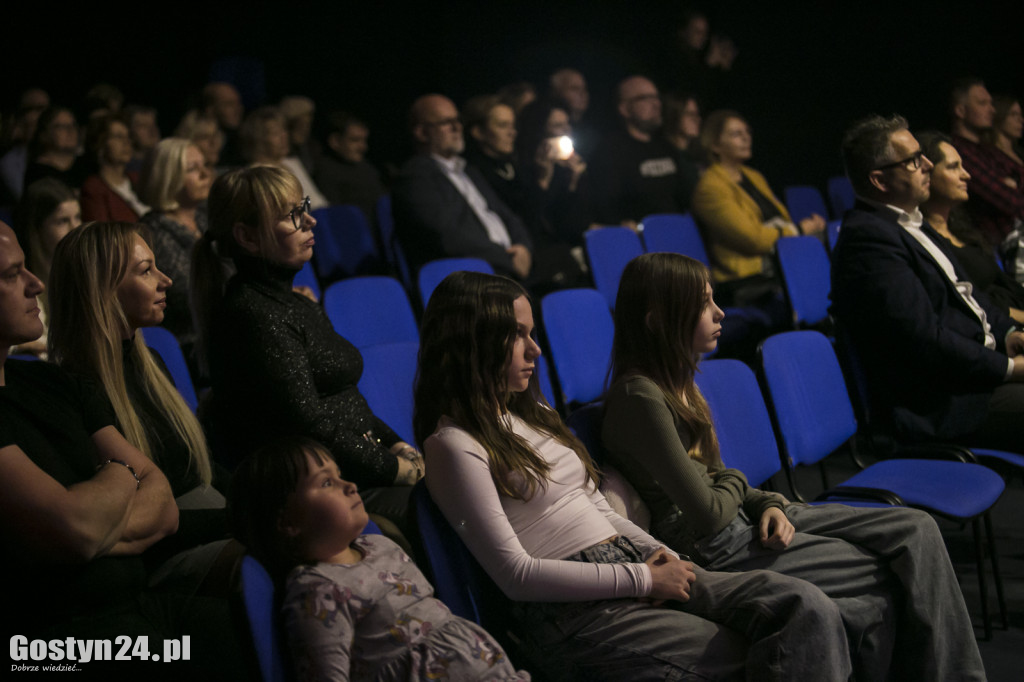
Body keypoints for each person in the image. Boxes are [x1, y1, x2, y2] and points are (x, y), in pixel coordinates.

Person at [415, 269, 854, 682]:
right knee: (757, 650)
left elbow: (599, 507)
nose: (536, 350)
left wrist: (662, 556)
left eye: (533, 334)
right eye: (517, 335)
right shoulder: (453, 445)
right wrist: (644, 578)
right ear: (474, 343)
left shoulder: (536, 415)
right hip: (572, 613)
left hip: (630, 561)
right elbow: (516, 575)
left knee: (805, 607)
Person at [603, 251, 986, 682]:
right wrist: (740, 481)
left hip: (744, 520)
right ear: (657, 322)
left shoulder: (677, 381)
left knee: (917, 528)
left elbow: (716, 482)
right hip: (714, 547)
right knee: (880, 580)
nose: (720, 311)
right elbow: (707, 513)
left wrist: (768, 501)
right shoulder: (640, 399)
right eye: (703, 303)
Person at [191, 165, 423, 541]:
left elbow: (348, 400)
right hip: (319, 489)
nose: (310, 221)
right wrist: (394, 469)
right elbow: (308, 424)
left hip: (354, 469)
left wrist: (398, 445)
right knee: (448, 507)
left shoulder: (293, 302)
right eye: (292, 215)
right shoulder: (253, 314)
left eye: (305, 207)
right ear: (247, 237)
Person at [0, 219, 179, 640]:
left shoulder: (56, 383)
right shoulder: (77, 377)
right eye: (11, 275)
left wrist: (90, 528)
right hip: (63, 640)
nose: (36, 285)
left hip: (135, 611)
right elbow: (75, 527)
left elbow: (165, 503)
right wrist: (122, 472)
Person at [231, 435, 530, 681]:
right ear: (288, 523)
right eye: (326, 483)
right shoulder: (318, 591)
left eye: (340, 476)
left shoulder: (380, 545)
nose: (349, 486)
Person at [832, 114, 1024, 452]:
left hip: (977, 373)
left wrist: (1010, 334)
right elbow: (923, 338)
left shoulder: (912, 224)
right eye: (913, 161)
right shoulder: (869, 241)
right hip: (948, 403)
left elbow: (974, 300)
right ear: (879, 180)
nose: (926, 166)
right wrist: (1008, 368)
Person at [691, 109, 824, 315]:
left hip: (779, 262)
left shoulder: (754, 175)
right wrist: (800, 229)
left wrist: (807, 230)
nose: (746, 138)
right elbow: (753, 240)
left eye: (747, 132)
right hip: (748, 277)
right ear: (715, 145)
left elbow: (780, 220)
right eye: (736, 134)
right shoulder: (710, 187)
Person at [392, 94, 534, 281]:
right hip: (473, 275)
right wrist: (507, 259)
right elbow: (450, 237)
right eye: (446, 122)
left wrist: (523, 248)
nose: (457, 127)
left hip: (507, 267)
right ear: (422, 133)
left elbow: (506, 215)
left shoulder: (468, 170)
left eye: (457, 120)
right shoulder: (415, 176)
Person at [918, 130, 1024, 323]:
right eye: (953, 167)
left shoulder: (962, 228)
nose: (966, 175)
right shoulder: (925, 241)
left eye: (963, 166)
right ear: (926, 175)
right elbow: (975, 306)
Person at [582, 76, 699, 229]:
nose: (656, 104)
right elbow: (607, 204)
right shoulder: (611, 150)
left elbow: (688, 196)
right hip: (642, 241)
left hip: (680, 234)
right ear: (624, 109)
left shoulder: (665, 146)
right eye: (645, 98)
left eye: (656, 97)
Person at [139, 137, 214, 354]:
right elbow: (189, 297)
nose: (205, 174)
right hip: (190, 345)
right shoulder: (153, 233)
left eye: (205, 165)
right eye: (193, 168)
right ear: (167, 177)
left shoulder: (205, 219)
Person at [9, 177, 81, 357]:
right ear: (37, 229)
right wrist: (16, 347)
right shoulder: (21, 286)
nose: (75, 229)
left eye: (78, 217)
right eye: (62, 221)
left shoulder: (84, 274)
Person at [949, 78, 1024, 245]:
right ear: (961, 111)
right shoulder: (959, 152)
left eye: (991, 103)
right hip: (1003, 247)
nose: (992, 110)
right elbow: (1009, 201)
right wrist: (1009, 185)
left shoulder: (987, 150)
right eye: (983, 103)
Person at [240, 106, 328, 209]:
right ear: (258, 140)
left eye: (284, 130)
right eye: (275, 133)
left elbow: (317, 201)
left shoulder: (292, 162)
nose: (284, 137)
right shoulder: (256, 173)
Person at [314, 110, 385, 221]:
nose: (363, 147)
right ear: (335, 141)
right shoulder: (326, 171)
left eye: (364, 140)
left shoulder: (366, 167)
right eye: (355, 140)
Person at [79, 112, 150, 222]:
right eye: (118, 137)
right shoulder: (94, 189)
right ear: (100, 143)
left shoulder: (138, 179)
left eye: (128, 137)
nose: (126, 142)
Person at [23, 106, 84, 190]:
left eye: (73, 125)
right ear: (44, 134)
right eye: (61, 126)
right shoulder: (38, 174)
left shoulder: (84, 167)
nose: (70, 130)